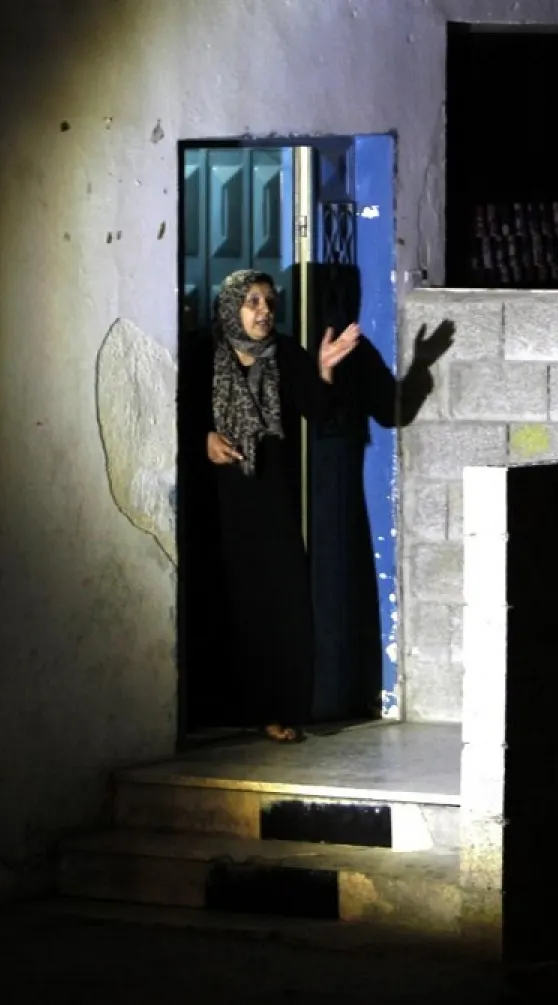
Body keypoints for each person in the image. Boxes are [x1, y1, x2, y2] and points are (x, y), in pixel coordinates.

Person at [203, 268, 359, 743]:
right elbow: (180, 412)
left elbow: (320, 411)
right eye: (252, 302)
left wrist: (324, 370)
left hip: (273, 496)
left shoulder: (286, 354)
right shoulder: (204, 354)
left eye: (269, 302)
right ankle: (218, 710)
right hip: (217, 499)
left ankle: (276, 709)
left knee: (279, 602)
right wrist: (204, 438)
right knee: (227, 601)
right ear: (232, 306)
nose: (264, 311)